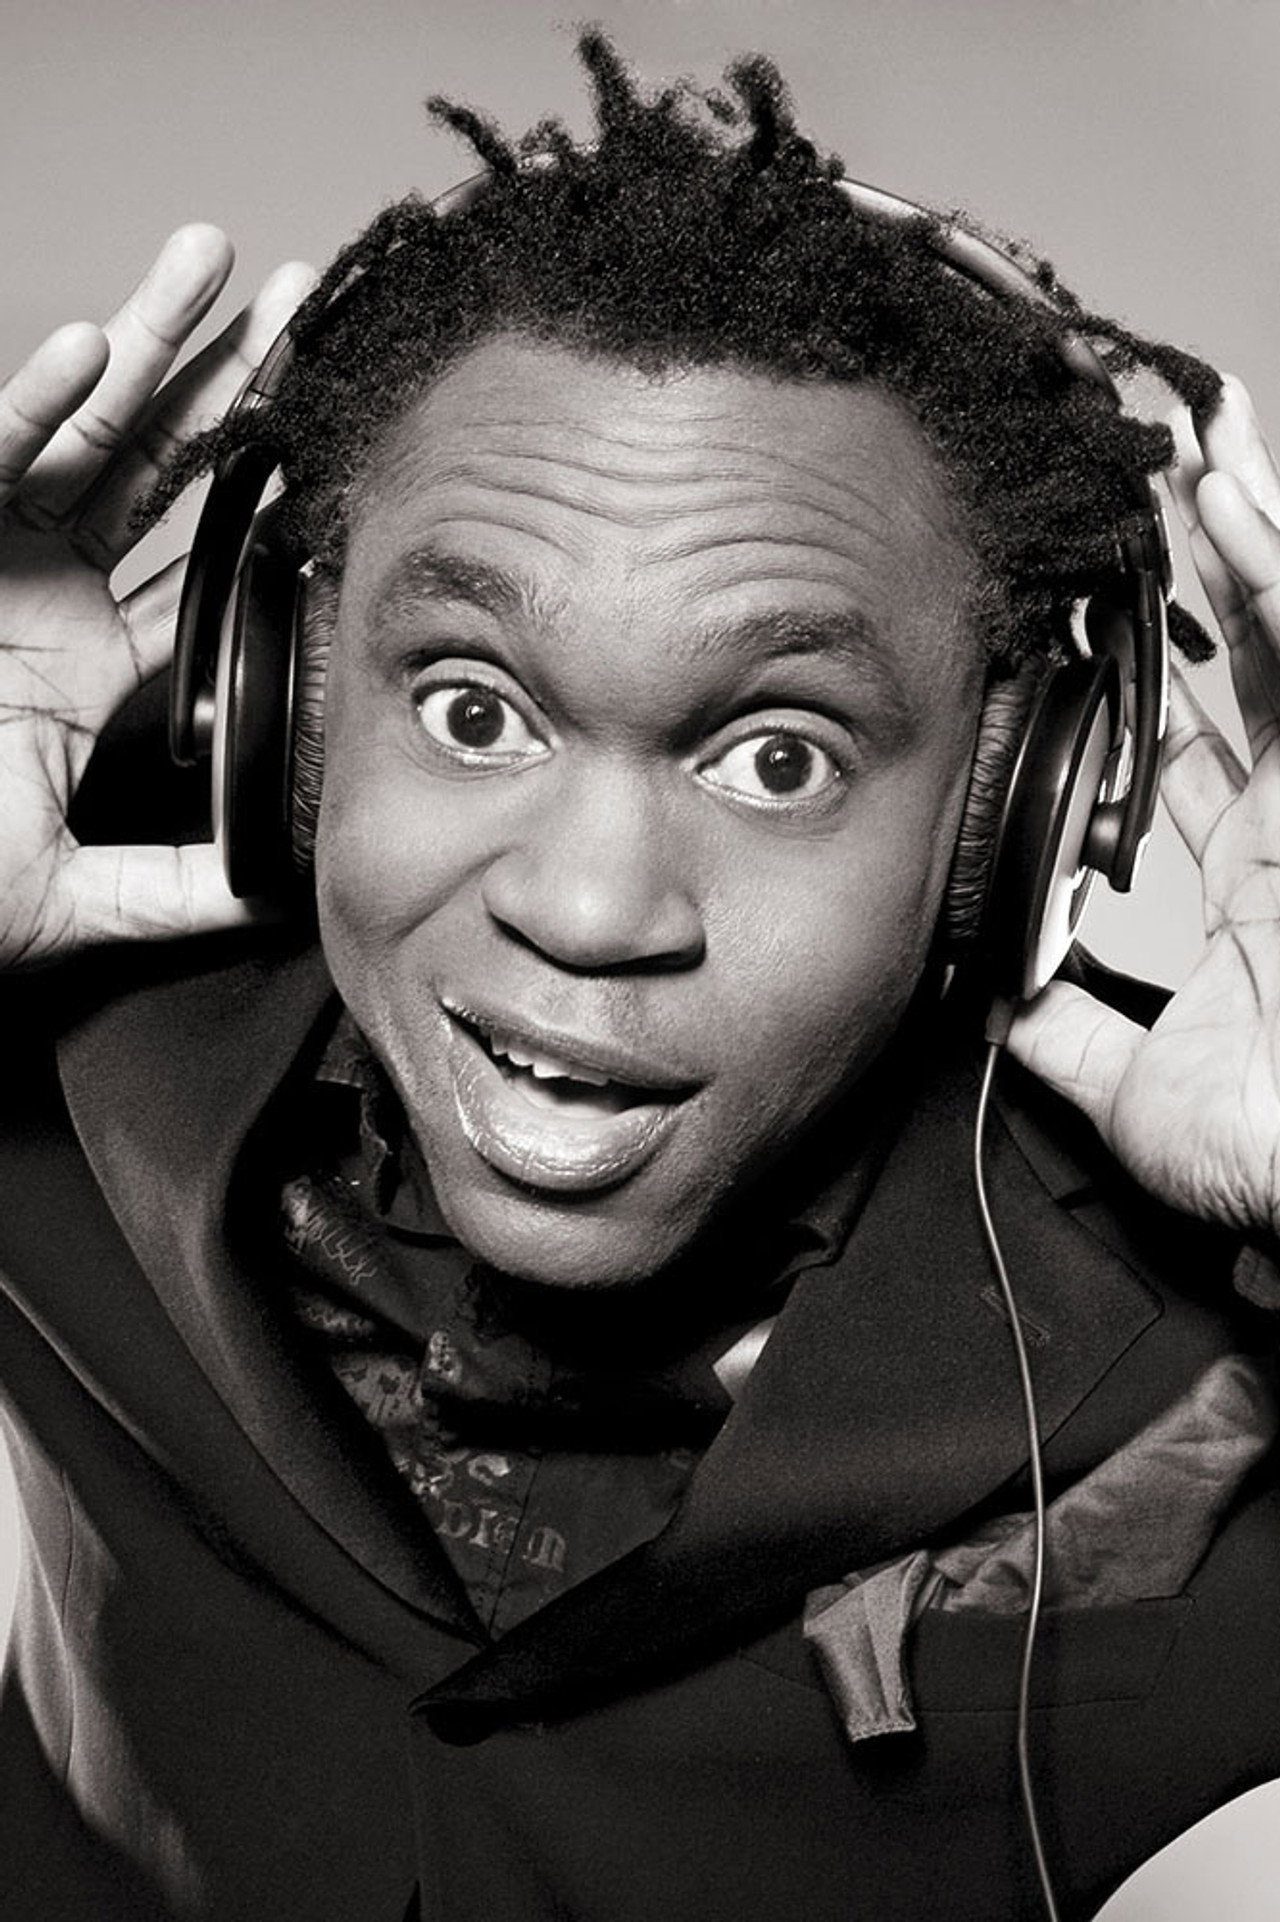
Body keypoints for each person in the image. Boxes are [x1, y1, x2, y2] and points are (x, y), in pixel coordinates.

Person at [2, 31, 1280, 1922]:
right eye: (473, 709)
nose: (591, 910)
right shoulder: (54, 1084)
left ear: (1010, 812)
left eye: (779, 755)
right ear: (289, 700)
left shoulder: (1197, 1370)